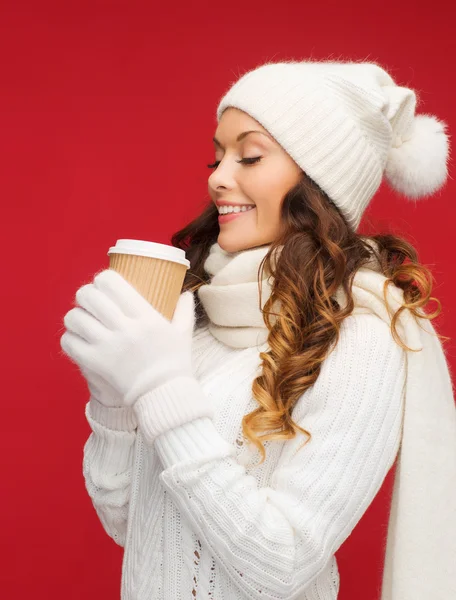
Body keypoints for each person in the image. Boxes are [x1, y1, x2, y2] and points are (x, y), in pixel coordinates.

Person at [60, 59, 456, 599]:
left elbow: (280, 568)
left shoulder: (361, 340)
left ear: (318, 183)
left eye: (249, 155)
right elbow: (129, 526)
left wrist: (159, 389)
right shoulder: (197, 318)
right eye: (217, 155)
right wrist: (113, 399)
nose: (217, 177)